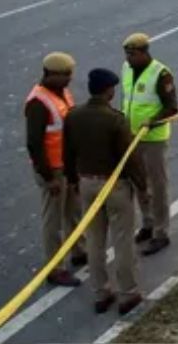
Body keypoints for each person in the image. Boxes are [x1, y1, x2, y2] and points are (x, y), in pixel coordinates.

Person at [64, 68, 146, 315]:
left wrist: (73, 181)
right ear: (108, 91)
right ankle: (128, 293)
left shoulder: (74, 116)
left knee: (95, 240)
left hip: (87, 182)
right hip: (114, 185)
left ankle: (101, 292)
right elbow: (129, 158)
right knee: (122, 240)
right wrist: (142, 187)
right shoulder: (115, 119)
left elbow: (67, 154)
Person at [24, 51, 86, 287]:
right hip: (53, 170)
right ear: (50, 74)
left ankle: (79, 251)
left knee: (74, 211)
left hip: (68, 165)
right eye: (65, 75)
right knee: (54, 221)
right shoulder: (38, 103)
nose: (70, 79)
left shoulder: (61, 93)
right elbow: (34, 143)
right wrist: (48, 177)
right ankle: (55, 268)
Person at [121, 33, 178, 256]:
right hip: (131, 136)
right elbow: (127, 100)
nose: (128, 59)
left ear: (145, 52)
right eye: (126, 54)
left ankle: (161, 232)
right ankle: (147, 223)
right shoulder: (126, 69)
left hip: (153, 139)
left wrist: (152, 122)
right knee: (139, 183)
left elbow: (172, 108)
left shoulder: (161, 74)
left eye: (133, 54)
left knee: (158, 186)